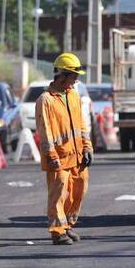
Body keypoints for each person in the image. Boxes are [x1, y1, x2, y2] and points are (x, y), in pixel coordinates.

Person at [35, 53, 93, 245]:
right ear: (61, 75)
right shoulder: (46, 100)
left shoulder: (73, 96)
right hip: (58, 157)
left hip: (77, 156)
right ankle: (57, 231)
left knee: (78, 189)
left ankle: (67, 225)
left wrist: (87, 147)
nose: (76, 81)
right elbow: (45, 132)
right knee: (58, 193)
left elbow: (81, 124)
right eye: (73, 76)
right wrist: (51, 156)